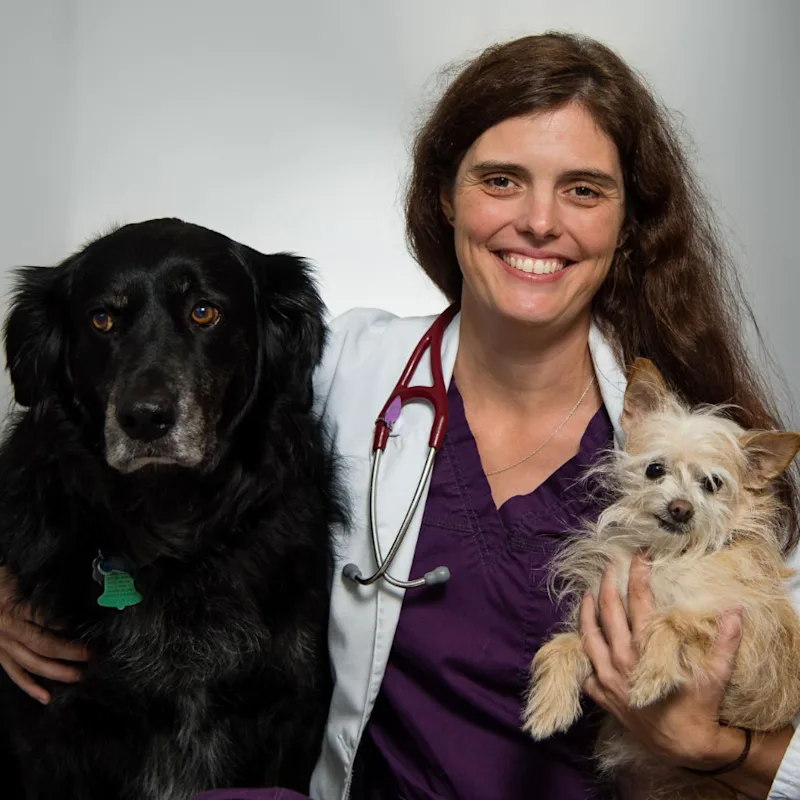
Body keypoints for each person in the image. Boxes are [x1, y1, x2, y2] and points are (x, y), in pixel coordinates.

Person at [2, 31, 800, 800]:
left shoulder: (707, 451)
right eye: (500, 180)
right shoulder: (347, 372)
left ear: (629, 226)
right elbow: (79, 454)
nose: (541, 222)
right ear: (445, 198)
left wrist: (715, 749)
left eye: (583, 190)